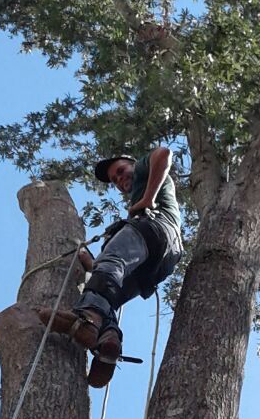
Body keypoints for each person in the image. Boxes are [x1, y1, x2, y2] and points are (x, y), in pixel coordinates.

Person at [39, 147, 183, 380]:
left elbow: (163, 154)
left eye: (120, 170)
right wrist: (89, 261)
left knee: (111, 262)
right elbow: (106, 275)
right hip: (159, 261)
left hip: (156, 229)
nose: (119, 179)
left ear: (132, 162)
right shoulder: (140, 197)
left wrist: (147, 199)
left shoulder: (145, 169)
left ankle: (88, 320)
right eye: (115, 179)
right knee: (108, 297)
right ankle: (109, 340)